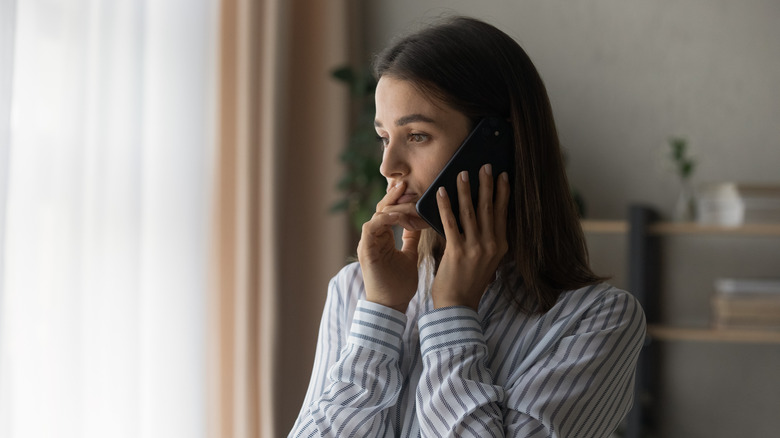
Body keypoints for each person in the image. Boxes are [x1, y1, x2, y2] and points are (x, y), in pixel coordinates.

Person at [289, 16, 645, 438]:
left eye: (417, 135)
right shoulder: (355, 291)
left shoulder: (598, 320)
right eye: (385, 137)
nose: (388, 166)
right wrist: (381, 314)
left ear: (495, 145)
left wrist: (453, 313)